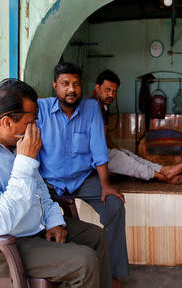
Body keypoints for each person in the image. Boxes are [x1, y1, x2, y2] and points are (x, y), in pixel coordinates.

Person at [0, 79, 111, 288]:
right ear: (7, 122)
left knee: (96, 236)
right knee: (84, 262)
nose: (35, 129)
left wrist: (54, 220)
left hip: (27, 226)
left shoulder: (9, 143)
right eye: (30, 123)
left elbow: (39, 188)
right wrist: (26, 161)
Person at [37, 63, 128, 286]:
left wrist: (105, 184)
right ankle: (54, 269)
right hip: (47, 181)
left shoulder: (91, 108)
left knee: (115, 205)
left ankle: (112, 273)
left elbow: (99, 148)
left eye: (76, 84)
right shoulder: (41, 108)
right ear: (55, 86)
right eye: (65, 84)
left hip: (81, 179)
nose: (72, 89)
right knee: (33, 213)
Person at [92, 70, 182, 185]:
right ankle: (162, 176)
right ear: (97, 88)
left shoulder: (104, 107)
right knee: (124, 158)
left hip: (100, 150)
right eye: (107, 90)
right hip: (92, 156)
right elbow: (100, 141)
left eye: (114, 91)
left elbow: (105, 136)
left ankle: (163, 169)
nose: (111, 95)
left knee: (127, 153)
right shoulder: (92, 106)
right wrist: (118, 152)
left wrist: (118, 149)